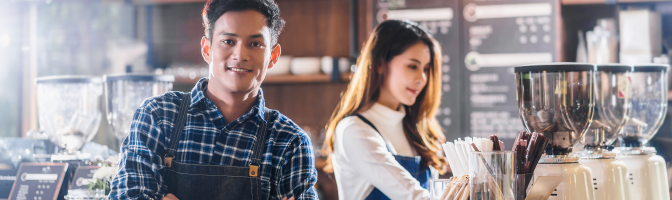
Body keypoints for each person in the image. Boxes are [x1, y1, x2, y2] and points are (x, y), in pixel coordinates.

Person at [108, 0, 318, 199]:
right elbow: (127, 195)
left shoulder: (290, 142)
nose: (240, 54)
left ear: (273, 57)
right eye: (228, 41)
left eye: (255, 43)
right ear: (207, 49)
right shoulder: (158, 116)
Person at [322, 20, 449, 200]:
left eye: (426, 69)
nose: (422, 78)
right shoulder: (354, 129)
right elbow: (412, 195)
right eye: (412, 66)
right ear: (380, 64)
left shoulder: (416, 129)